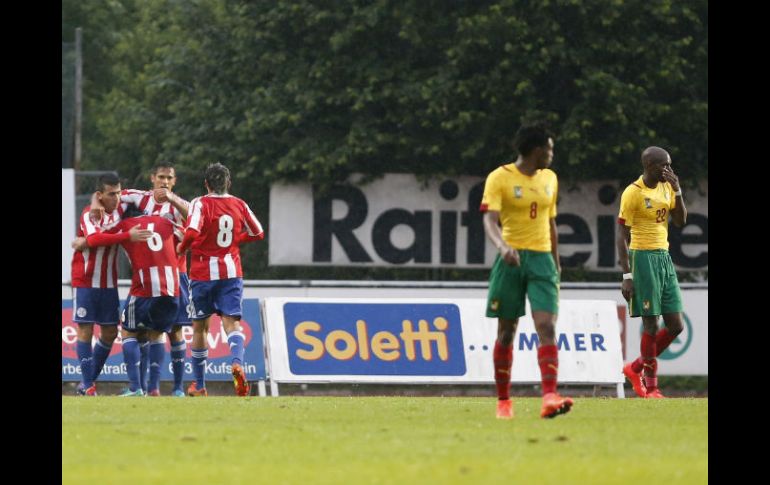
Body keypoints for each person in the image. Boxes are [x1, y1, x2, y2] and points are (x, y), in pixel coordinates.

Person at [480, 122, 573, 419]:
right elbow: (490, 221)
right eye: (549, 149)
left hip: (542, 259)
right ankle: (504, 401)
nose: (551, 155)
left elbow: (550, 221)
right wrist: (502, 247)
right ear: (537, 151)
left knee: (546, 326)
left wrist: (556, 262)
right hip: (511, 259)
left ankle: (549, 396)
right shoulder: (500, 177)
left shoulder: (550, 178)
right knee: (507, 332)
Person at [85, 162, 192, 397]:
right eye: (161, 177)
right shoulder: (140, 198)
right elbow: (112, 195)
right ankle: (152, 387)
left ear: (174, 181)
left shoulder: (177, 204)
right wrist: (95, 201)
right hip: (167, 279)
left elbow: (192, 216)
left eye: (169, 178)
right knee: (156, 332)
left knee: (170, 331)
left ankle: (161, 387)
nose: (164, 182)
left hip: (174, 274)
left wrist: (172, 199)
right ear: (153, 178)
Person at [176, 163, 264, 397]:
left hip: (203, 273)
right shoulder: (239, 203)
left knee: (200, 328)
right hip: (231, 272)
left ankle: (199, 384)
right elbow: (258, 232)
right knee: (232, 324)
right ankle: (237, 363)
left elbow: (193, 231)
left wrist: (182, 247)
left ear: (206, 184)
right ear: (229, 183)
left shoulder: (200, 203)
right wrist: (236, 240)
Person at [70, 174, 151, 396]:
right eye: (111, 194)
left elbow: (143, 198)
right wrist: (127, 235)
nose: (116, 198)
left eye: (118, 192)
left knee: (108, 333)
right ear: (100, 195)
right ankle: (88, 385)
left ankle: (87, 383)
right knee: (85, 329)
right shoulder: (90, 213)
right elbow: (94, 239)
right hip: (86, 280)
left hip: (109, 283)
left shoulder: (121, 207)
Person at [617, 146, 687, 399]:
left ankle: (635, 368)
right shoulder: (633, 193)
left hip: (663, 257)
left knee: (676, 325)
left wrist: (678, 191)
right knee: (650, 323)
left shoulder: (668, 187)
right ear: (649, 166)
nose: (668, 170)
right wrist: (627, 275)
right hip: (642, 257)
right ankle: (651, 387)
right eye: (663, 165)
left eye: (669, 165)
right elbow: (621, 236)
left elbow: (680, 221)